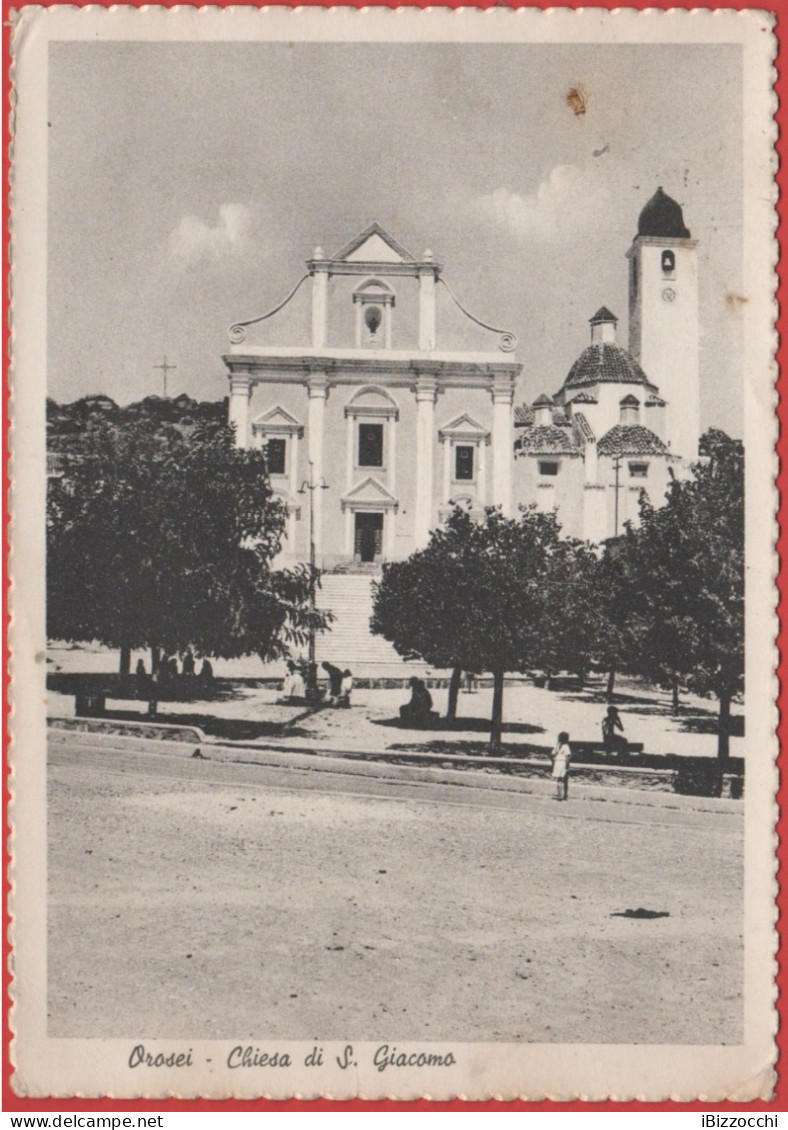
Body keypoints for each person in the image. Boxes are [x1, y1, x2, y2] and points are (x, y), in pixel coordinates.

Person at [551, 731, 572, 801]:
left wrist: (566, 765)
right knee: (561, 779)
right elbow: (568, 756)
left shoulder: (562, 746)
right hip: (560, 762)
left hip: (560, 762)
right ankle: (561, 794)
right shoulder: (561, 746)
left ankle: (561, 794)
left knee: (561, 779)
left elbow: (568, 756)